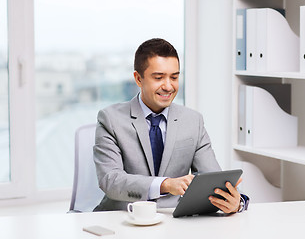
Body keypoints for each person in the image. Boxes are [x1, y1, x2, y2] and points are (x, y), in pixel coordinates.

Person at [93, 38, 249, 213]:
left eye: (174, 77)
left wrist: (236, 202)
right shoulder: (111, 119)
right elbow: (110, 180)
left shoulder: (193, 121)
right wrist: (166, 184)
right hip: (122, 217)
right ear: (138, 78)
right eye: (158, 77)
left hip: (173, 219)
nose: (168, 86)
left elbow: (211, 179)